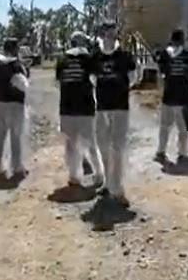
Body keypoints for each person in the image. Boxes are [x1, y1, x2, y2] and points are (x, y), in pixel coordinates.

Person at [93, 20, 137, 207]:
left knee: (117, 147)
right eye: (106, 32)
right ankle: (107, 182)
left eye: (112, 31)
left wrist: (120, 89)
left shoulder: (125, 56)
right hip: (102, 107)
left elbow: (134, 77)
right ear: (102, 34)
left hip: (120, 107)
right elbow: (92, 78)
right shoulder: (95, 56)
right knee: (103, 145)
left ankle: (117, 188)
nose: (110, 35)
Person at [55, 31, 104, 187]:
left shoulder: (62, 59)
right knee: (90, 143)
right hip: (85, 106)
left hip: (66, 107)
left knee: (71, 143)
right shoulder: (88, 59)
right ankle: (99, 174)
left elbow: (58, 82)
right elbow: (96, 80)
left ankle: (74, 176)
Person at [154, 29, 188, 172]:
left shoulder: (164, 55)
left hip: (168, 95)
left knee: (164, 127)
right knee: (183, 129)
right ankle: (183, 154)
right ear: (183, 40)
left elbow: (161, 76)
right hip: (184, 97)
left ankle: (160, 152)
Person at [0, 38, 29, 179]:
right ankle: (17, 168)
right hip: (15, 105)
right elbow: (23, 85)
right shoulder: (16, 65)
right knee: (15, 137)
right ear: (15, 49)